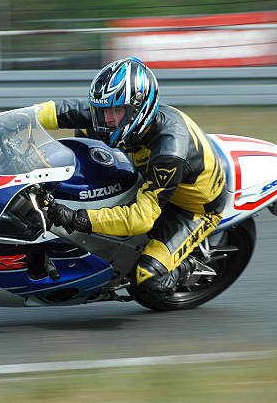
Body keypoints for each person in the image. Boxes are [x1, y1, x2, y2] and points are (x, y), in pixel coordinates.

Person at [36, 57, 227, 301]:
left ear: (140, 108)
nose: (108, 120)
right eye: (104, 110)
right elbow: (59, 111)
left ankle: (184, 266)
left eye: (116, 111)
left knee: (147, 282)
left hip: (192, 209)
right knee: (85, 138)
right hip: (148, 179)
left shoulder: (169, 152)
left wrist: (75, 218)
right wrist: (13, 122)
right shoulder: (113, 115)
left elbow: (141, 219)